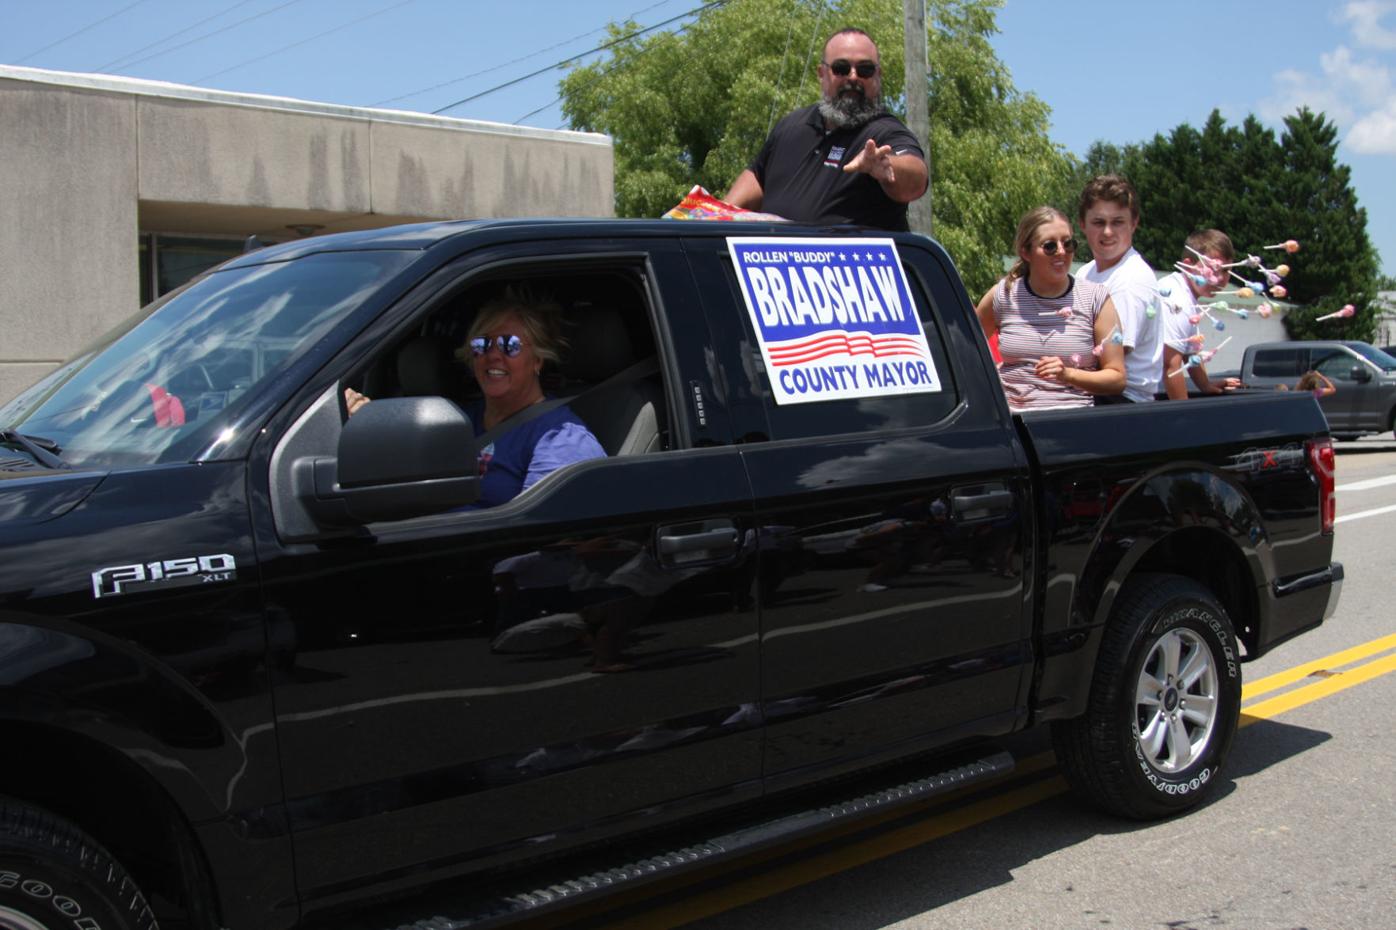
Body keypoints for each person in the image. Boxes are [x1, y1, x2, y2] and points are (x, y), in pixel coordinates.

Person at [344, 288, 605, 508]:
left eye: (508, 345)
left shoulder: (560, 438)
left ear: (537, 359)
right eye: (481, 345)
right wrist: (368, 424)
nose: (492, 355)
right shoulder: (456, 420)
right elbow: (413, 483)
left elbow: (537, 538)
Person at [723, 28, 927, 230]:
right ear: (822, 74)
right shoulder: (791, 127)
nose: (853, 77)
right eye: (841, 68)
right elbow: (731, 208)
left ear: (878, 75)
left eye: (865, 69)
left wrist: (884, 166)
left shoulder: (884, 132)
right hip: (774, 260)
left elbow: (916, 180)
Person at [974, 206, 1125, 410]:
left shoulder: (1096, 298)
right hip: (1012, 421)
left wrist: (1069, 374)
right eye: (1050, 246)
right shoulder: (1003, 294)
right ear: (1026, 252)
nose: (1061, 252)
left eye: (1068, 243)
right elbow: (966, 349)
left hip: (1071, 420)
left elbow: (1117, 378)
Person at [1075, 175, 1162, 404]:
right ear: (1082, 224)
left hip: (1119, 403)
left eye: (1117, 222)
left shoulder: (1131, 280)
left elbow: (1109, 358)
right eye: (1098, 222)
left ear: (1134, 223)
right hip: (1090, 392)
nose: (1107, 232)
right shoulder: (1086, 272)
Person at [1159, 230, 1243, 399]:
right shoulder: (1177, 300)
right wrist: (1185, 416)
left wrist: (1206, 385)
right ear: (1188, 265)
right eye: (1214, 269)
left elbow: (1190, 352)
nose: (1219, 278)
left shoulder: (1187, 295)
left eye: (1226, 271)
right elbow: (1170, 365)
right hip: (1125, 396)